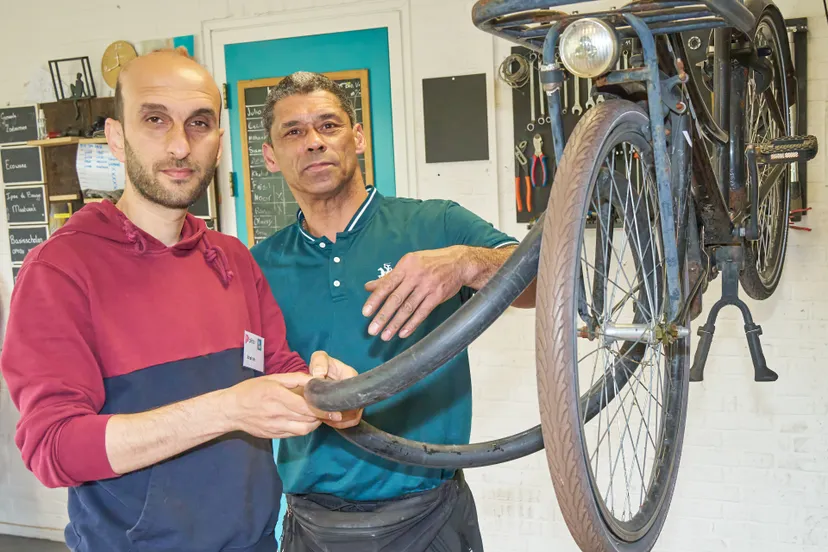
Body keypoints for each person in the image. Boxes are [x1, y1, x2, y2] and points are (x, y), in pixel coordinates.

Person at [0, 51, 360, 552]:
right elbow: (53, 449)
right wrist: (227, 409)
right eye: (154, 120)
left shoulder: (233, 259)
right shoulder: (60, 271)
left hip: (256, 542)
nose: (179, 145)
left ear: (218, 141)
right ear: (116, 138)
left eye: (199, 124)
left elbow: (276, 368)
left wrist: (327, 394)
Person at [252, 71, 536, 552]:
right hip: (313, 523)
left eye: (329, 125)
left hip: (429, 514)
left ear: (358, 137)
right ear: (271, 157)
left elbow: (540, 281)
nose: (314, 142)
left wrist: (466, 262)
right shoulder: (257, 266)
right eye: (293, 132)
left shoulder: (434, 223)